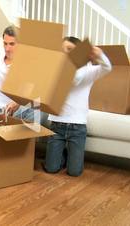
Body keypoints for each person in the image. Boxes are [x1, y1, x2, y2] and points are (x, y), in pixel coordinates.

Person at [44, 37, 112, 176]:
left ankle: (70, 157)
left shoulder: (88, 71)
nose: (65, 53)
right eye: (62, 50)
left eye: (69, 50)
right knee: (51, 169)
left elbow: (107, 67)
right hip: (57, 124)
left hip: (77, 127)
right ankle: (60, 155)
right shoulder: (55, 70)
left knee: (74, 172)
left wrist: (100, 55)